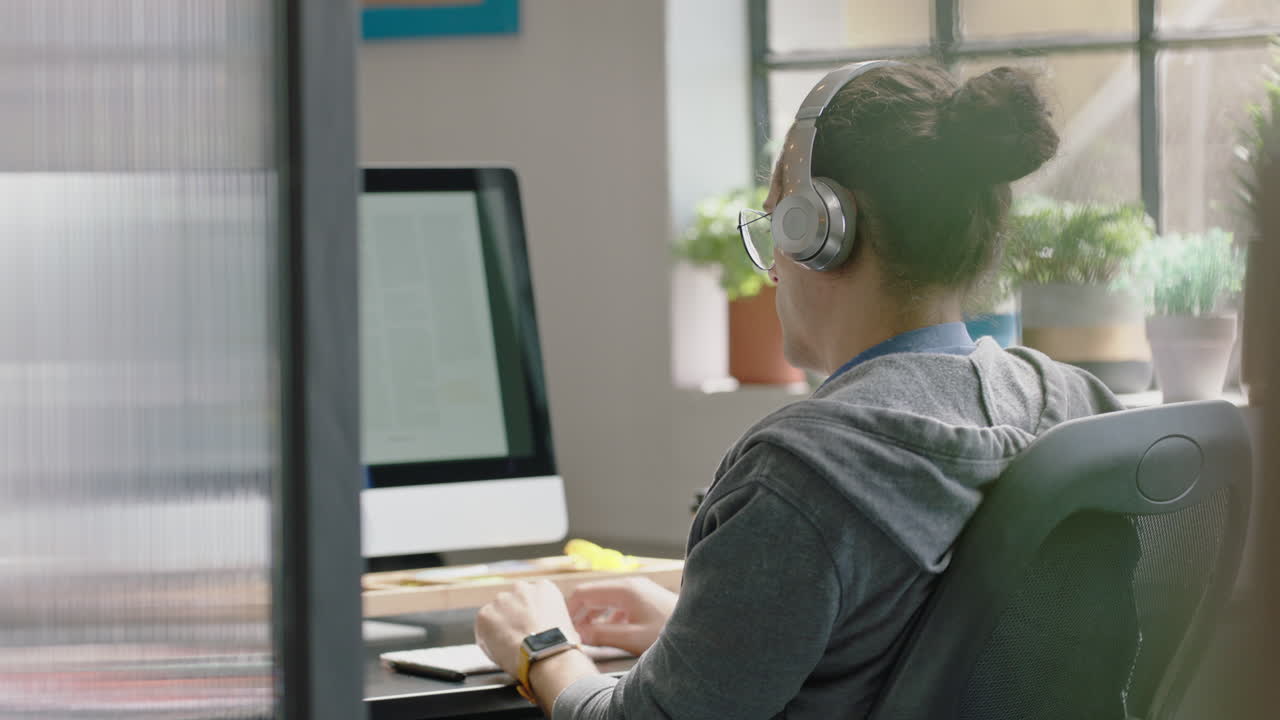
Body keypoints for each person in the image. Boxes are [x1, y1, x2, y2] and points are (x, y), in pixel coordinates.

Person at [474, 60, 1125, 719]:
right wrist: (695, 633)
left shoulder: (804, 472)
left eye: (775, 221)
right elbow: (923, 649)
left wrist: (542, 647)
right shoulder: (1074, 407)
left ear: (820, 233)